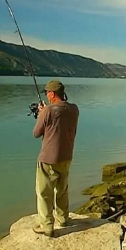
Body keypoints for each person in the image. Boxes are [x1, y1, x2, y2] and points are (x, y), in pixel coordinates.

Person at [32, 80, 79, 237]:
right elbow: (60, 119)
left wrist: (42, 114)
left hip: (48, 158)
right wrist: (46, 113)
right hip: (66, 156)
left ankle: (47, 227)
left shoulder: (48, 111)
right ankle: (63, 218)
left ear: (52, 94)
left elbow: (36, 133)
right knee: (62, 190)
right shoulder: (74, 109)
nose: (46, 95)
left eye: (47, 92)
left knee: (44, 193)